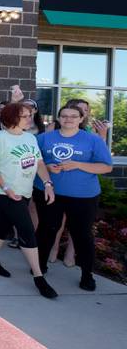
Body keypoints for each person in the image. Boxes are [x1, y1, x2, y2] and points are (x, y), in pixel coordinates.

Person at [0, 102, 58, 298]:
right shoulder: (0, 138)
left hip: (24, 191)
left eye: (30, 115)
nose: (29, 118)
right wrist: (6, 188)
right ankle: (39, 277)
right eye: (25, 116)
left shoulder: (30, 138)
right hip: (4, 192)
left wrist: (48, 184)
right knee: (27, 230)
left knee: (3, 225)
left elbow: (39, 162)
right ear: (12, 117)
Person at [35, 104, 113, 291]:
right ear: (58, 118)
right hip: (49, 192)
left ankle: (87, 275)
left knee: (82, 235)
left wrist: (78, 164)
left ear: (80, 119)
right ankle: (39, 266)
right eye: (64, 116)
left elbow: (106, 167)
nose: (68, 119)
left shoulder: (93, 140)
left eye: (73, 116)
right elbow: (33, 162)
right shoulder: (44, 138)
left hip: (83, 196)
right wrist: (47, 168)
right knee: (46, 230)